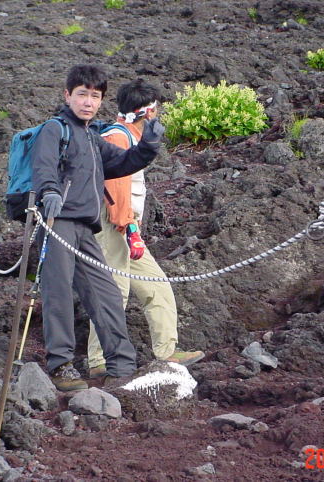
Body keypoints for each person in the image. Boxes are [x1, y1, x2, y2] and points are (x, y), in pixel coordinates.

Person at [31, 65, 165, 391]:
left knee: (105, 294)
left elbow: (122, 163)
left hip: (86, 229)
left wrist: (146, 147)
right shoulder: (55, 129)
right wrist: (49, 192)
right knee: (58, 294)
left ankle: (121, 367)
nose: (88, 102)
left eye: (95, 96)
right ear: (68, 95)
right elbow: (44, 167)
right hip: (57, 222)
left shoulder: (92, 137)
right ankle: (61, 367)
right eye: (82, 94)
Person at [86, 79, 204, 378]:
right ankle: (99, 361)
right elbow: (115, 188)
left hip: (125, 227)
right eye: (156, 110)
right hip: (114, 226)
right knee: (114, 292)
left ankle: (167, 351)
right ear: (147, 113)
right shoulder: (117, 137)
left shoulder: (129, 136)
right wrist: (129, 229)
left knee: (156, 285)